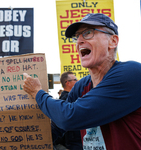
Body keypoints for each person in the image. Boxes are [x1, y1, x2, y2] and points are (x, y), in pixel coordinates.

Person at [23, 13, 141, 150]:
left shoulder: (132, 73)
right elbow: (56, 127)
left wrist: (38, 93)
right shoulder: (82, 86)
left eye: (88, 33)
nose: (79, 41)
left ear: (113, 41)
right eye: (76, 37)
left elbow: (69, 117)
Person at [53, 71, 82, 150]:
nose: (78, 81)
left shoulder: (64, 100)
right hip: (73, 143)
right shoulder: (66, 100)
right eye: (75, 79)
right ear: (68, 83)